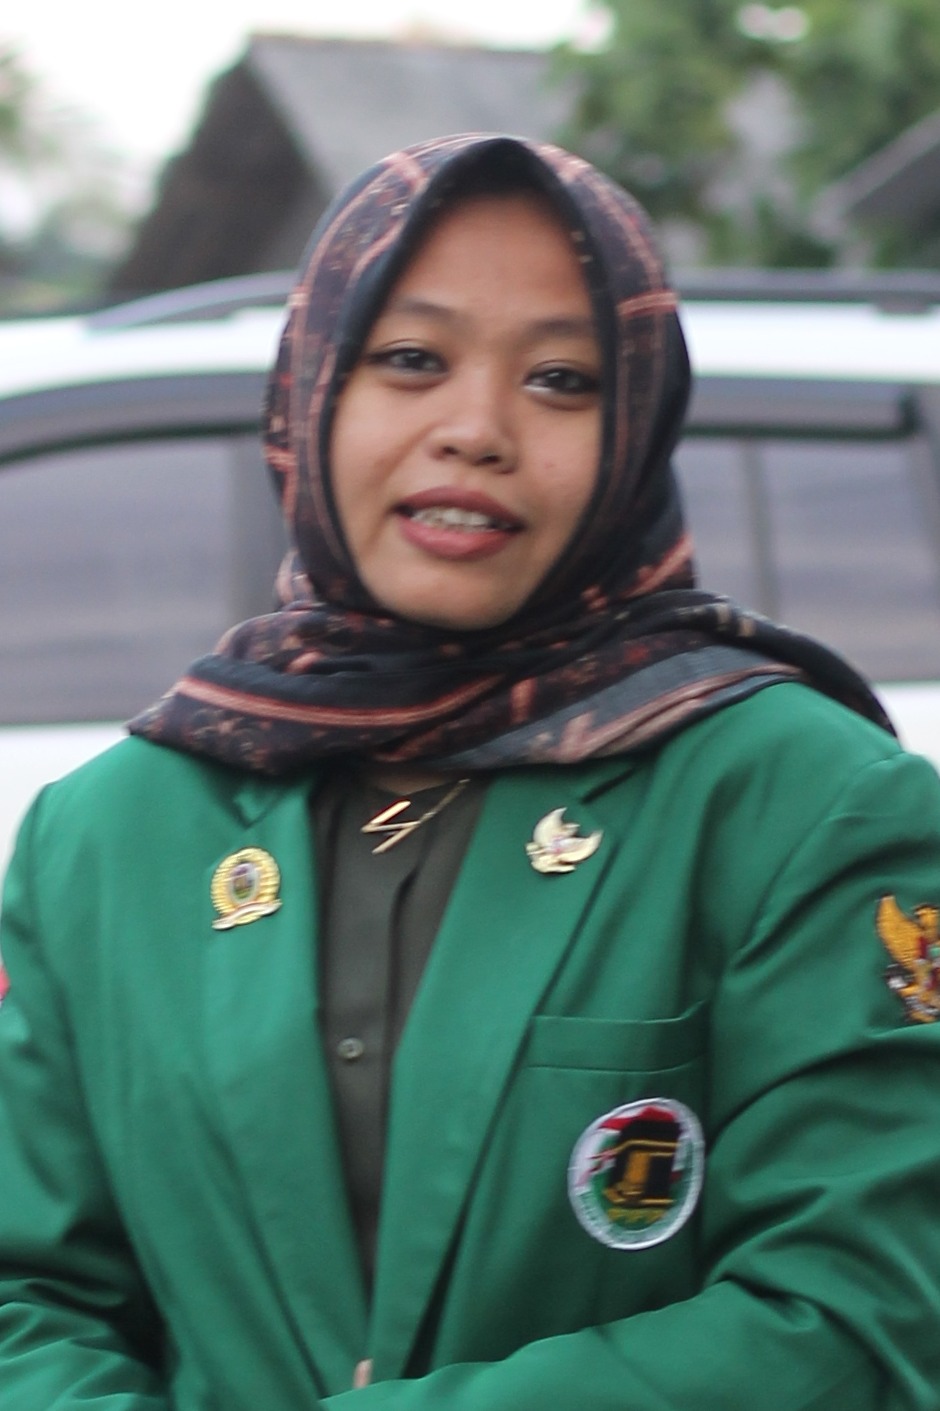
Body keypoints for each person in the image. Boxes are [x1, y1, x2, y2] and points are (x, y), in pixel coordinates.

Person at [1, 132, 940, 1411]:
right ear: (313, 389)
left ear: (635, 427)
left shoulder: (800, 802)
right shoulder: (111, 833)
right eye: (410, 359)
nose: (477, 430)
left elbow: (860, 1317)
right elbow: (29, 1296)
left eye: (560, 379)